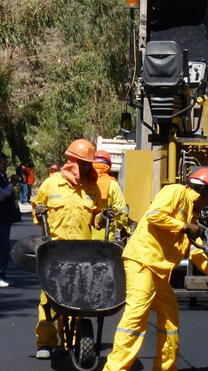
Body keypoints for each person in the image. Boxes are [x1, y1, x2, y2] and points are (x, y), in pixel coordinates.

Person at [103, 168, 208, 371]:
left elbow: (195, 249)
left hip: (159, 270)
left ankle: (165, 368)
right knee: (136, 317)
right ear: (204, 192)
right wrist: (183, 226)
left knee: (170, 317)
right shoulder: (176, 192)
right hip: (142, 262)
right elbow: (155, 216)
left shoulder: (192, 212)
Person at [31, 139, 107, 360]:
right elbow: (37, 212)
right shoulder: (52, 184)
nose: (86, 167)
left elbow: (97, 220)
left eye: (88, 164)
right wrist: (40, 212)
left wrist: (104, 216)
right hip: (55, 252)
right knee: (49, 300)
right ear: (72, 161)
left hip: (82, 254)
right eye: (82, 163)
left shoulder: (92, 187)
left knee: (77, 298)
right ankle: (45, 341)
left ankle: (73, 340)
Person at [91, 150, 130, 241]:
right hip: (105, 235)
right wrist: (123, 227)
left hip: (85, 236)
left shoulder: (86, 182)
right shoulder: (112, 184)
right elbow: (121, 211)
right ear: (108, 166)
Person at [0, 152, 21, 288]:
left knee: (4, 246)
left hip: (5, 218)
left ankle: (2, 274)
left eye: (6, 163)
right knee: (2, 246)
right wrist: (11, 185)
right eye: (3, 163)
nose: (6, 166)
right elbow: (1, 195)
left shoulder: (2, 176)